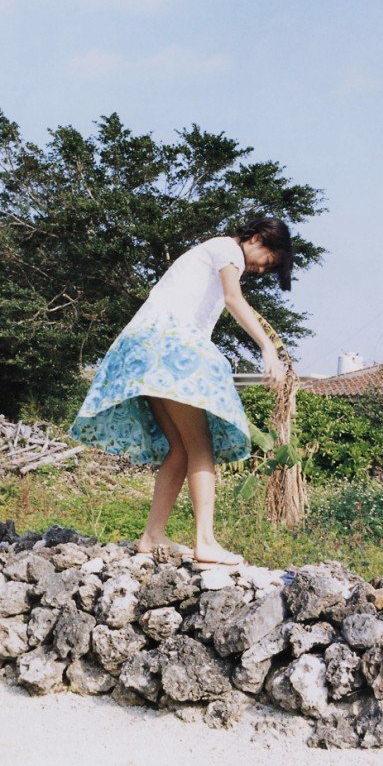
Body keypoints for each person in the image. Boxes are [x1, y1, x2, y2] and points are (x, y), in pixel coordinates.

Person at [69, 217, 294, 566]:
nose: (262, 269)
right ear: (256, 239)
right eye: (269, 261)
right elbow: (233, 299)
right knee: (200, 445)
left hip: (145, 349)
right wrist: (267, 348)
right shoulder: (228, 249)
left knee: (180, 447)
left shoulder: (210, 250)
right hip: (169, 346)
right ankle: (206, 541)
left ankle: (152, 535)